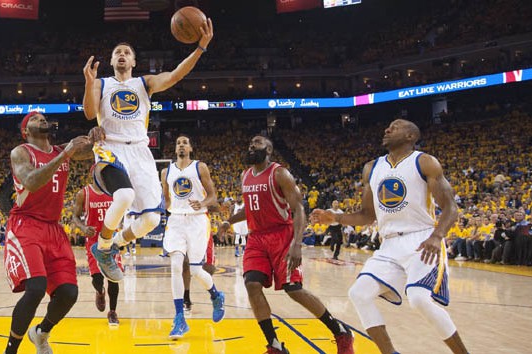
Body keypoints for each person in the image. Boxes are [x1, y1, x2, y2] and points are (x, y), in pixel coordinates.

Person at [311, 119, 469, 354]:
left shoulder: (424, 162)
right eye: (387, 126)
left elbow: (451, 208)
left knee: (419, 298)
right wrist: (335, 217)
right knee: (359, 293)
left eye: (395, 127)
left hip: (421, 239)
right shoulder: (371, 168)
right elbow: (366, 215)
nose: (386, 129)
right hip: (389, 244)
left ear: (410, 136)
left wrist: (437, 236)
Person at [82, 19, 214, 282]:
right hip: (110, 148)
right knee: (124, 196)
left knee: (152, 219)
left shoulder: (145, 83)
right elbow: (88, 113)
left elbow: (176, 74)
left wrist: (200, 48)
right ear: (111, 61)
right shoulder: (101, 84)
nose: (122, 55)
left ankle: (112, 246)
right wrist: (88, 82)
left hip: (140, 151)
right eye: (117, 52)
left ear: (133, 62)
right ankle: (104, 246)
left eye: (127, 53)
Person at [221, 136, 354, 354]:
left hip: (281, 235)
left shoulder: (279, 173)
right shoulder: (245, 176)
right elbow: (250, 209)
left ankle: (340, 332)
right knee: (251, 285)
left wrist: (297, 243)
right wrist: (229, 220)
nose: (251, 145)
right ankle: (275, 345)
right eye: (250, 143)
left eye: (256, 142)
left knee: (293, 289)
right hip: (256, 238)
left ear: (269, 149)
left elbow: (299, 209)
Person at [3, 111, 92, 354]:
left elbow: (89, 151)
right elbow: (31, 181)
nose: (41, 120)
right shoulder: (21, 152)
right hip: (26, 224)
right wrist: (65, 154)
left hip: (53, 228)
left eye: (43, 117)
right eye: (34, 119)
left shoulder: (60, 150)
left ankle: (41, 333)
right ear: (25, 131)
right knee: (36, 288)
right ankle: (11, 350)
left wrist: (98, 136)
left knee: (68, 293)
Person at [160, 134, 225, 339]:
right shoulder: (166, 172)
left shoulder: (200, 167)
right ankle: (179, 318)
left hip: (197, 220)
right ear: (175, 149)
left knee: (196, 270)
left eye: (185, 143)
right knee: (176, 265)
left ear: (190, 148)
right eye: (178, 143)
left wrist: (202, 204)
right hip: (176, 221)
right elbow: (167, 200)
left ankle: (216, 295)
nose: (181, 145)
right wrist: (166, 210)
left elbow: (213, 196)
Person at [72, 181, 122, 327]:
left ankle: (112, 312)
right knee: (97, 278)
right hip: (93, 241)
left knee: (114, 278)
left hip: (111, 239)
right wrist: (83, 227)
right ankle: (100, 291)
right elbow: (75, 217)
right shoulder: (83, 193)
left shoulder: (114, 190)